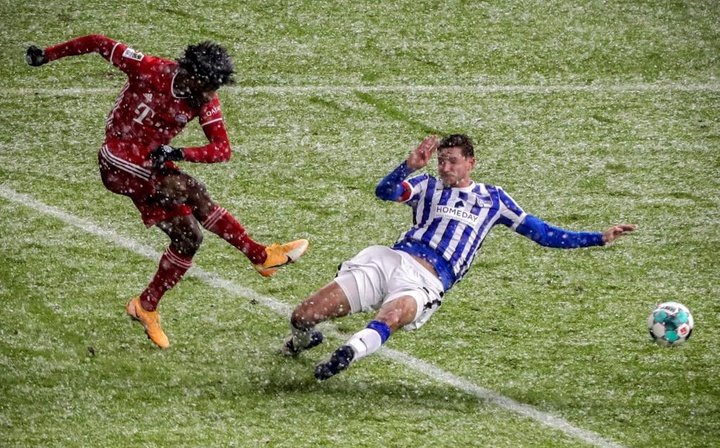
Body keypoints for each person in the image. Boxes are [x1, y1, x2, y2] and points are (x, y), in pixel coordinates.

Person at [26, 35, 308, 349]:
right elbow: (97, 43)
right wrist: (47, 55)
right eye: (208, 87)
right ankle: (260, 255)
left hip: (151, 167)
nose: (211, 95)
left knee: (189, 238)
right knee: (191, 189)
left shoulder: (204, 99)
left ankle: (146, 306)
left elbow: (222, 150)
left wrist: (178, 153)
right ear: (190, 75)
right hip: (117, 160)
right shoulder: (149, 69)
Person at [282, 134, 636, 380]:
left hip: (427, 280)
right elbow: (384, 192)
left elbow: (542, 234)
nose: (444, 167)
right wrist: (408, 166)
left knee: (392, 315)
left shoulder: (493, 199)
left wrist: (598, 238)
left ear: (471, 163)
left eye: (452, 161)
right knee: (303, 316)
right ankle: (305, 339)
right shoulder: (426, 186)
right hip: (389, 260)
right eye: (441, 161)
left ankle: (348, 353)